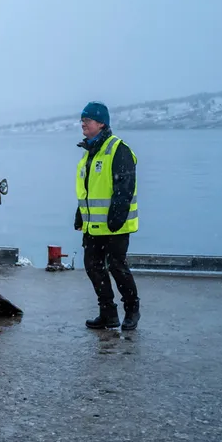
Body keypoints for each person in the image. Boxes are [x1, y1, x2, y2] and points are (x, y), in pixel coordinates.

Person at [74, 101, 141, 331]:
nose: (83, 123)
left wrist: (118, 215)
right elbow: (88, 189)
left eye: (88, 120)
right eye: (82, 120)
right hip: (93, 226)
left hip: (116, 225)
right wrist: (80, 213)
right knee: (93, 266)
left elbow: (125, 186)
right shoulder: (88, 153)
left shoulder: (118, 149)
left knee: (116, 266)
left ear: (101, 123)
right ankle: (108, 313)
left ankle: (132, 309)